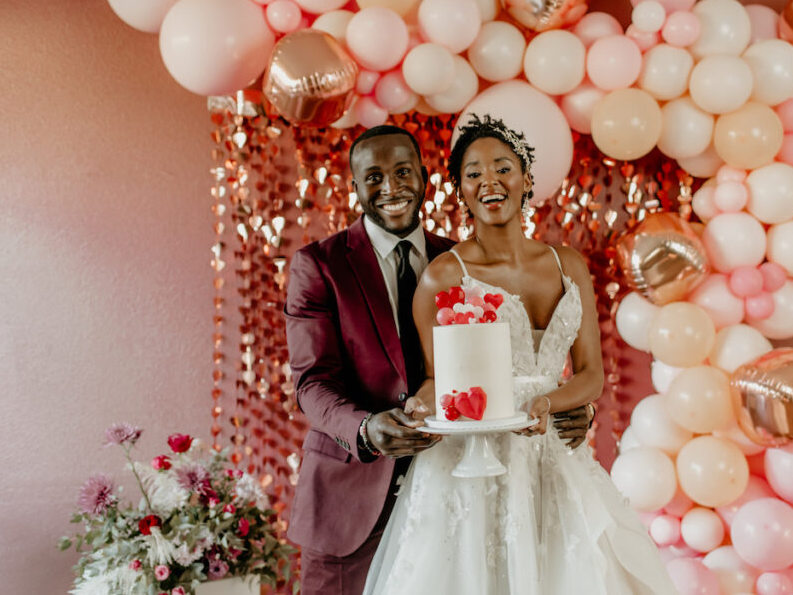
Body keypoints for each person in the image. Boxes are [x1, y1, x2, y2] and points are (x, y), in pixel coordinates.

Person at [362, 115, 677, 595]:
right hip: (472, 464)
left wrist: (549, 404)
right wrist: (419, 408)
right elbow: (436, 379)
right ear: (461, 192)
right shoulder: (443, 276)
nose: (489, 180)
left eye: (503, 167)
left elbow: (592, 374)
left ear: (527, 180)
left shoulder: (567, 263)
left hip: (553, 454)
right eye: (473, 173)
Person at [283, 125, 595, 595]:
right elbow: (311, 384)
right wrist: (367, 429)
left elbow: (513, 365)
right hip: (354, 495)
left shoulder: (461, 262)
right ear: (355, 187)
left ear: (426, 178)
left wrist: (573, 407)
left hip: (464, 487)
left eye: (403, 171)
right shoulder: (320, 266)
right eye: (374, 177)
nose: (391, 187)